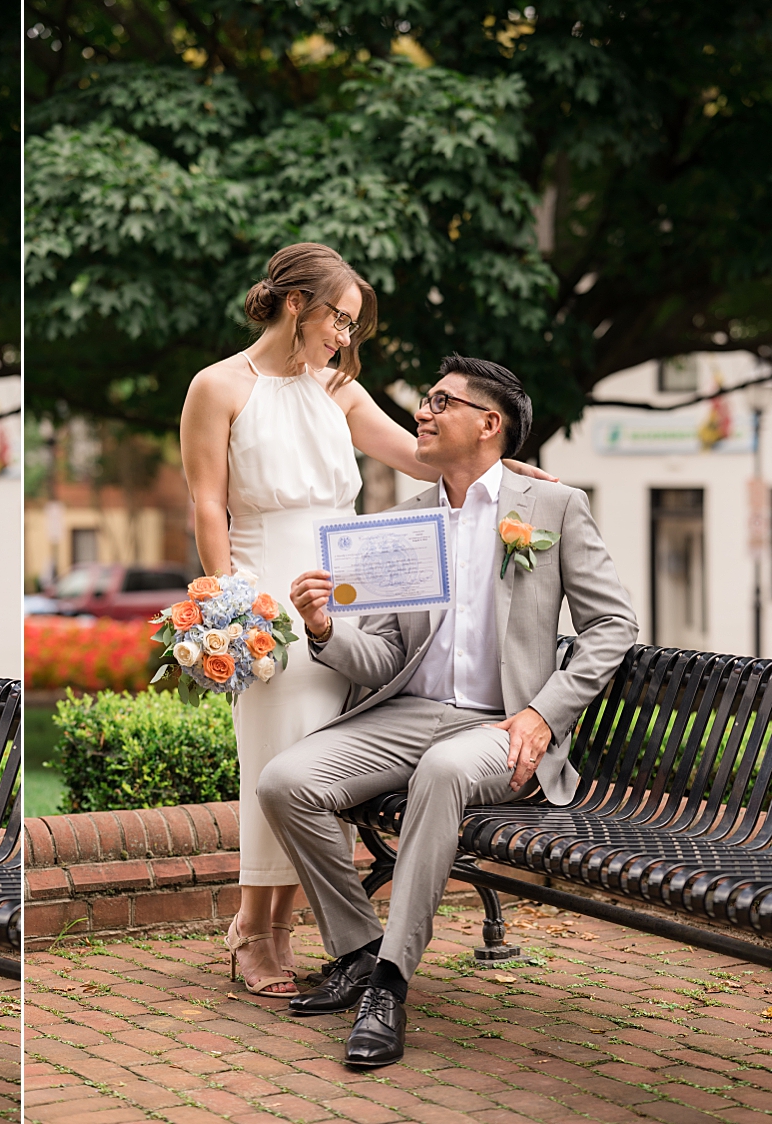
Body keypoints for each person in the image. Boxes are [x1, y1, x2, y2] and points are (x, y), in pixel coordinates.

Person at [179, 244, 555, 997]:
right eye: (340, 320)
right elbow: (206, 502)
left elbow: (422, 460)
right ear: (297, 305)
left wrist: (507, 468)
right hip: (267, 597)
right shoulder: (217, 386)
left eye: (353, 324)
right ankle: (259, 933)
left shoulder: (340, 391)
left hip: (350, 598)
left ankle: (273, 926)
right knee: (277, 759)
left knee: (324, 764)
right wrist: (228, 605)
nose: (346, 337)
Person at [263, 355, 637, 1067]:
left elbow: (613, 625)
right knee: (286, 782)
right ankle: (358, 951)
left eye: (441, 402)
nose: (422, 414)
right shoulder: (402, 523)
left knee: (441, 769)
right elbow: (378, 658)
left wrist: (543, 714)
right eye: (426, 402)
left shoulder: (553, 509)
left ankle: (390, 989)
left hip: (502, 728)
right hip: (405, 713)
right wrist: (322, 629)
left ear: (488, 424)